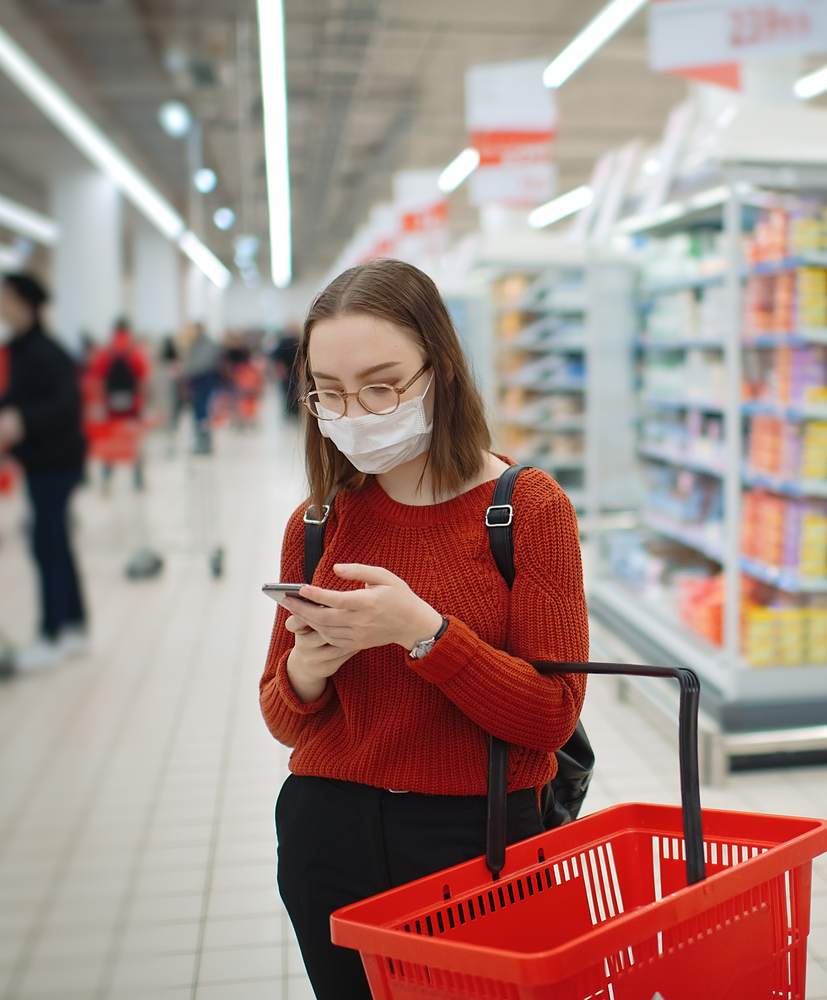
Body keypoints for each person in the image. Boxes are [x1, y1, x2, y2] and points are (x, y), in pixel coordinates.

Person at [260, 259, 587, 1000]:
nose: (358, 411)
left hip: (477, 841)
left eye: (382, 385)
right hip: (325, 834)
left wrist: (424, 632)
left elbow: (550, 717)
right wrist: (310, 668)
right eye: (331, 393)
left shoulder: (527, 509)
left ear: (440, 370)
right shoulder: (316, 524)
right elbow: (282, 720)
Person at [0, 273, 89, 672]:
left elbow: (67, 407)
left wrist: (21, 420)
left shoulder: (46, 352)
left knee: (47, 545)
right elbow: (15, 399)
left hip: (55, 463)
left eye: (4, 297)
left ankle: (52, 634)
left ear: (23, 303)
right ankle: (74, 627)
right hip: (40, 462)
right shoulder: (19, 350)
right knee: (55, 544)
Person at [87, 319, 149, 492]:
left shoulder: (105, 351)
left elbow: (97, 379)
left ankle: (106, 480)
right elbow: (143, 380)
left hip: (110, 406)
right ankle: (138, 481)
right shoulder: (135, 351)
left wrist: (98, 404)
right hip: (133, 406)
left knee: (110, 443)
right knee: (134, 442)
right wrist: (142, 404)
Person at [179, 323, 220, 454]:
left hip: (204, 382)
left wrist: (184, 371)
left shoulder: (207, 345)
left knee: (202, 413)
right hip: (197, 384)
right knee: (198, 413)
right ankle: (201, 441)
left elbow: (200, 364)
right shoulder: (196, 344)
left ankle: (205, 443)